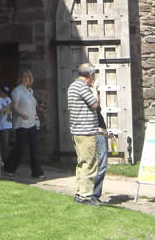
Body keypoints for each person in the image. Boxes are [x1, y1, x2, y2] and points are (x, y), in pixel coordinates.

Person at [67, 62, 100, 205]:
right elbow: (94, 104)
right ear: (90, 75)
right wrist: (96, 90)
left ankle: (80, 193)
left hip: (77, 131)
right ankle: (85, 196)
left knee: (81, 163)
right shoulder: (82, 87)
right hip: (86, 132)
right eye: (94, 76)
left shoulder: (73, 86)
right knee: (90, 163)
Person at [3, 70, 44, 178]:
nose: (26, 78)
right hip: (21, 123)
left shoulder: (30, 91)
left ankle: (37, 172)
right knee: (19, 148)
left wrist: (39, 107)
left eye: (28, 77)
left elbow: (32, 106)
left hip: (32, 123)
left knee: (34, 147)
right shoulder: (17, 91)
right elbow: (14, 107)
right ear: (20, 78)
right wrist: (21, 114)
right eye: (24, 76)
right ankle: (9, 168)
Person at [92, 107, 108, 203]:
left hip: (101, 133)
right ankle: (93, 194)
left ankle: (94, 194)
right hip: (97, 133)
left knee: (101, 164)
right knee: (101, 164)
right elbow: (94, 106)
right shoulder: (87, 93)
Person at [0, 85, 13, 165]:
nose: (6, 95)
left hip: (10, 124)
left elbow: (12, 106)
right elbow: (1, 112)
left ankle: (9, 160)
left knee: (10, 144)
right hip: (3, 126)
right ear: (0, 91)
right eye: (4, 93)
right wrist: (8, 107)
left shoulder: (8, 99)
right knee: (4, 145)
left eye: (7, 93)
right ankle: (4, 161)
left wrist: (5, 108)